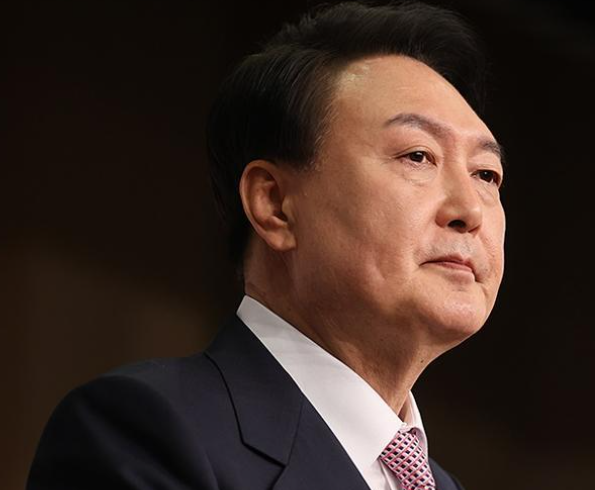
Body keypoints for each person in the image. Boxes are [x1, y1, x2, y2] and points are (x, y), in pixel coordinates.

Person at [27, 1, 506, 489]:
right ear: (275, 204)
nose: (469, 209)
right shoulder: (145, 433)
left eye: (486, 174)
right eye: (418, 156)